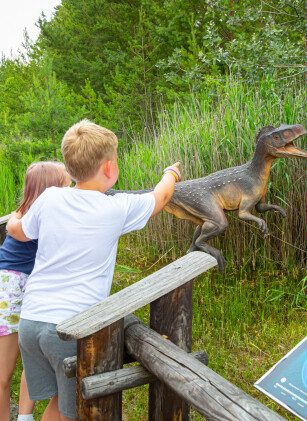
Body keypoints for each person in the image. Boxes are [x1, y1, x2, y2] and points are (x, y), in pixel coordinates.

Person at [7, 119, 181, 421]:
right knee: (74, 410)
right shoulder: (116, 208)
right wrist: (171, 173)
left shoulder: (49, 198)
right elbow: (161, 197)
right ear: (110, 168)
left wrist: (11, 222)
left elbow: (21, 232)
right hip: (66, 327)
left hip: (32, 322)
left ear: (69, 165)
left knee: (57, 402)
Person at [0, 162, 72, 421]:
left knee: (31, 358)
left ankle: (24, 416)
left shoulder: (27, 215)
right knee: (2, 375)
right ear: (50, 189)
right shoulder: (28, 217)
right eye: (67, 183)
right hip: (10, 289)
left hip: (30, 289)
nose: (72, 188)